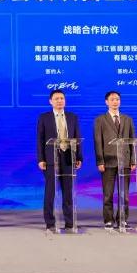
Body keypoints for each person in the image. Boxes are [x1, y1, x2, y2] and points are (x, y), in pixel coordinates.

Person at [37, 89, 82, 231]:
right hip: (51, 159)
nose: (59, 101)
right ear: (50, 101)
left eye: (62, 98)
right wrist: (41, 159)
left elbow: (77, 137)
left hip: (69, 158)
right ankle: (50, 223)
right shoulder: (44, 117)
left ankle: (70, 222)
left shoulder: (72, 117)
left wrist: (78, 156)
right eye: (56, 98)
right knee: (50, 192)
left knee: (68, 192)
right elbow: (40, 140)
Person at [93, 90, 136, 229]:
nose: (115, 102)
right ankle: (108, 220)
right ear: (106, 102)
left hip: (125, 161)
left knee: (125, 194)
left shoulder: (128, 119)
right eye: (112, 99)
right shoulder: (100, 120)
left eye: (117, 99)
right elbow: (98, 142)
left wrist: (133, 160)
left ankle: (122, 219)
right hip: (108, 161)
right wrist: (100, 161)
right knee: (108, 194)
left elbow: (132, 140)